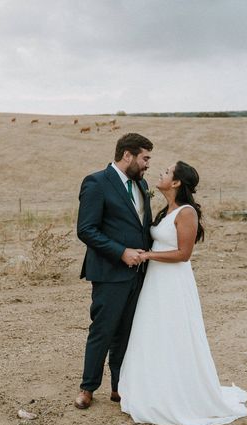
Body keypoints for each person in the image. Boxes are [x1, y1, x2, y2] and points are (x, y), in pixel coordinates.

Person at [118, 161, 247, 425]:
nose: (161, 173)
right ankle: (153, 389)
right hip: (156, 281)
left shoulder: (187, 212)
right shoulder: (167, 209)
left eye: (167, 172)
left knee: (173, 333)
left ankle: (178, 395)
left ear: (176, 182)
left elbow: (183, 254)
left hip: (173, 283)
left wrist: (147, 255)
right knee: (153, 332)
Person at [75, 132, 154, 409]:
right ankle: (88, 387)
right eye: (145, 158)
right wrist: (121, 252)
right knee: (103, 330)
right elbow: (86, 230)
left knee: (127, 332)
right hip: (109, 272)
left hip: (139, 274)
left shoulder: (142, 185)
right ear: (127, 155)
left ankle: (119, 387)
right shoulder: (97, 182)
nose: (147, 165)